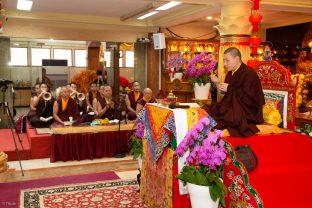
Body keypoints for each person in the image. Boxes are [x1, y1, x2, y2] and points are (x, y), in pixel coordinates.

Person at [203, 47, 265, 137]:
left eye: (227, 60)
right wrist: (217, 83)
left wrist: (229, 88)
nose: (224, 64)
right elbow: (227, 95)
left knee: (226, 118)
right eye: (224, 61)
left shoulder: (249, 73)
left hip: (248, 110)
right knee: (208, 109)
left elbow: (250, 99)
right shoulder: (229, 74)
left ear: (237, 59)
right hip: (233, 106)